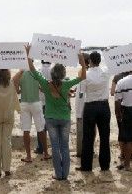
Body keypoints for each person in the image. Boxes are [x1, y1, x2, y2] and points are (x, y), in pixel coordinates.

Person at [28, 46, 86, 180]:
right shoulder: (66, 84)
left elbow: (32, 69)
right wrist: (81, 59)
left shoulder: (45, 83)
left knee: (54, 147)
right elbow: (83, 75)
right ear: (63, 74)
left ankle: (58, 174)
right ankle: (64, 175)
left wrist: (28, 54)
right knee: (64, 147)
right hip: (65, 118)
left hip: (51, 118)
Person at [77, 51, 111, 172]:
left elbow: (81, 92)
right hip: (103, 105)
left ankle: (86, 166)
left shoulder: (85, 74)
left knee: (88, 137)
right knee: (104, 136)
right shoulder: (106, 71)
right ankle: (105, 165)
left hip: (90, 106)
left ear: (90, 61)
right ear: (99, 61)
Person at [14, 67, 50, 163]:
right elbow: (43, 88)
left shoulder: (20, 73)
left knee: (26, 130)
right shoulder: (36, 73)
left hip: (24, 103)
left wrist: (23, 89)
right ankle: (46, 153)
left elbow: (16, 90)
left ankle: (29, 156)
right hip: (36, 103)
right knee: (41, 129)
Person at [111, 71, 132, 161]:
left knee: (122, 131)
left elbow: (112, 92)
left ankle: (122, 153)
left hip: (121, 106)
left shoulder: (117, 76)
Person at [34, 60, 52, 155]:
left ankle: (40, 147)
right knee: (51, 124)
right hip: (50, 101)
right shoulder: (53, 71)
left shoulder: (38, 70)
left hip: (39, 101)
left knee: (40, 125)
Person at [74, 54, 89, 157]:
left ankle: (83, 150)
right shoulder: (82, 71)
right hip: (82, 100)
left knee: (84, 127)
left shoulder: (85, 72)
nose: (79, 60)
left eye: (80, 59)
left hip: (83, 102)